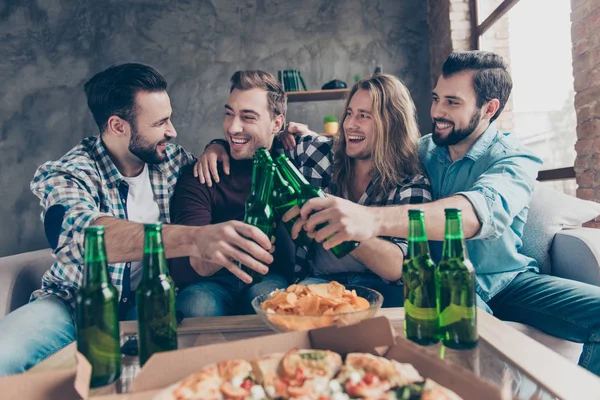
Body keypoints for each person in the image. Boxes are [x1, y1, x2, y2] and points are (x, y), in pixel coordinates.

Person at [286, 51, 600, 377]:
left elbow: (472, 214)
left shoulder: (516, 159)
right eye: (436, 98)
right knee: (465, 343)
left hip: (506, 281)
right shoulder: (421, 151)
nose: (436, 111)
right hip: (441, 284)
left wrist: (367, 219)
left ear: (489, 108)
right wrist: (305, 137)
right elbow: (372, 145)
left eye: (452, 102)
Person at [0, 63, 273, 376]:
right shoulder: (69, 172)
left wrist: (219, 145)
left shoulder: (171, 159)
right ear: (118, 126)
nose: (172, 131)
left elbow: (234, 152)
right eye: (160, 122)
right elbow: (76, 234)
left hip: (154, 308)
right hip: (74, 306)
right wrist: (194, 238)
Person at [198, 73, 432, 307]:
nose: (350, 124)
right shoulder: (315, 153)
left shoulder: (411, 182)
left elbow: (396, 267)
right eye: (349, 113)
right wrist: (217, 147)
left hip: (382, 288)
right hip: (317, 282)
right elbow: (257, 138)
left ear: (391, 123)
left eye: (364, 116)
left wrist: (341, 226)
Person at [169, 70, 296, 317]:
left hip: (270, 277)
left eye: (247, 117)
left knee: (273, 303)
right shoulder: (203, 173)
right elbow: (181, 266)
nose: (233, 127)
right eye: (229, 114)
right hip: (210, 283)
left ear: (277, 123)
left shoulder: (293, 162)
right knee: (196, 305)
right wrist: (230, 247)